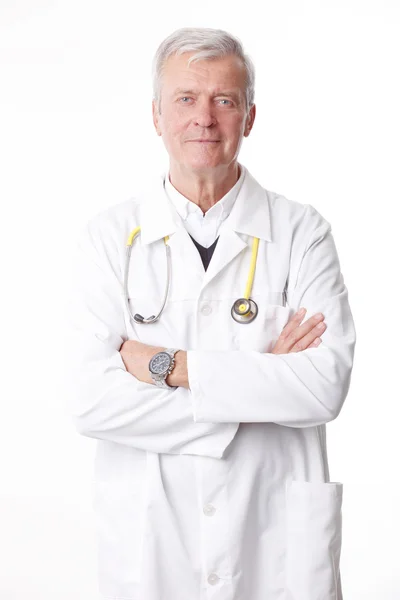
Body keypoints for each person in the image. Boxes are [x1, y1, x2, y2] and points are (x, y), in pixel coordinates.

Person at [64, 26, 356, 600]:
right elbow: (90, 401)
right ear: (156, 115)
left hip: (272, 538)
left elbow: (324, 386)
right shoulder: (110, 238)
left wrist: (171, 367)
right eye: (185, 99)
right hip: (153, 539)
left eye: (225, 100)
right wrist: (260, 381)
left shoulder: (302, 234)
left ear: (249, 117)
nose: (205, 118)